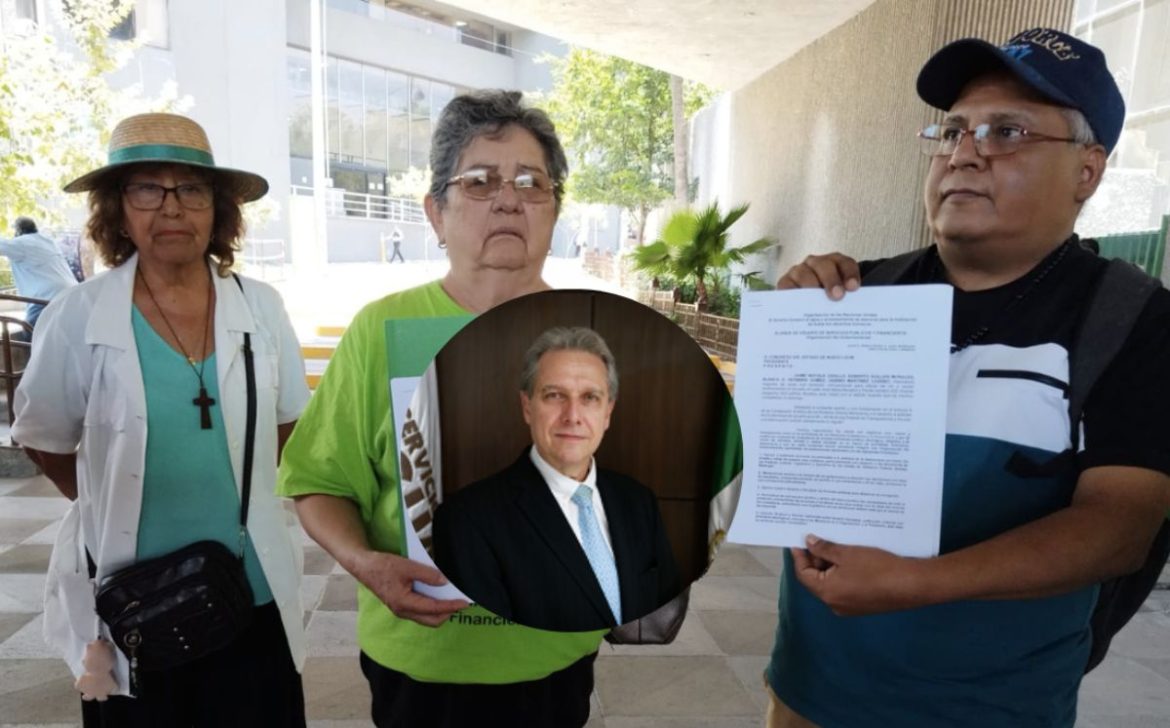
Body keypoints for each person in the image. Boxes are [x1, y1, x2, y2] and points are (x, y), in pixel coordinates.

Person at [767, 28, 1170, 727]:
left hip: (989, 707)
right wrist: (788, 344)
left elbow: (1119, 527)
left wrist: (919, 582)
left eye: (1007, 131)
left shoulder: (1131, 319)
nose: (965, 153)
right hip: (810, 689)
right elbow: (778, 472)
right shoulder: (854, 297)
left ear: (1088, 170)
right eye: (952, 131)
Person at [277, 90, 609, 728]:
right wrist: (364, 563)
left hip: (551, 656)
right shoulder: (382, 330)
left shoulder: (599, 332)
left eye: (530, 182)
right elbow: (318, 484)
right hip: (421, 662)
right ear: (437, 211)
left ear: (554, 208)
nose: (508, 198)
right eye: (481, 181)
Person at [13, 113, 310, 727]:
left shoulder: (261, 307)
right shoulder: (78, 315)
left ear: (218, 209)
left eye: (192, 190)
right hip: (132, 603)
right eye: (148, 188)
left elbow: (287, 425)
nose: (171, 208)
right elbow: (43, 437)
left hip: (249, 589)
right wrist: (108, 498)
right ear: (118, 209)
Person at [432, 326, 680, 632]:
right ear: (527, 407)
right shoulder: (466, 520)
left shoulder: (639, 501)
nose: (572, 415)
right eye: (554, 395)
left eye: (590, 397)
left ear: (608, 413)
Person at [0, 216, 78, 330]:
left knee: (31, 330)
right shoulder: (48, 241)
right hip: (72, 293)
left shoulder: (22, 243)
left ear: (18, 231)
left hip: (47, 298)